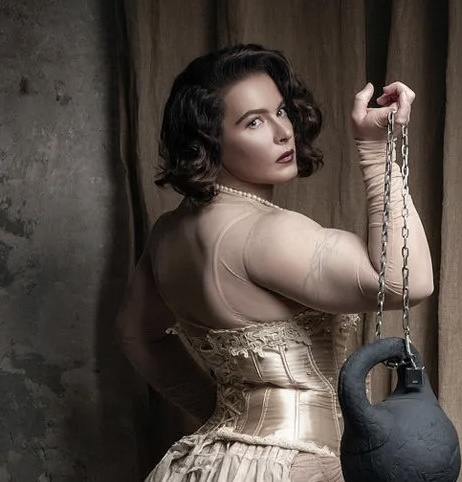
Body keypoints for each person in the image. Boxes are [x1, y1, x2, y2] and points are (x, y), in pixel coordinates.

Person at [116, 44, 433, 482]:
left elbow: (135, 334)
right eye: (254, 122)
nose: (284, 132)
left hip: (202, 466)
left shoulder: (168, 233)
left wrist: (220, 415)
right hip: (292, 466)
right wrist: (377, 152)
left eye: (280, 111)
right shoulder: (268, 232)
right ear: (207, 141)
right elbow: (407, 281)